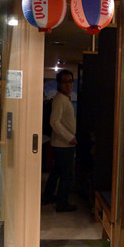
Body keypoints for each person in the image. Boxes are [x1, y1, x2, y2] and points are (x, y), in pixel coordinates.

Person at [42, 69, 78, 212]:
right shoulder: (59, 100)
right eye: (65, 82)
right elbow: (54, 122)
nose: (68, 85)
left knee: (57, 172)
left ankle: (49, 196)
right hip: (64, 144)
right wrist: (70, 138)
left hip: (61, 143)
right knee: (66, 175)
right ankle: (62, 203)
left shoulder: (63, 99)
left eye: (70, 81)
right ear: (59, 84)